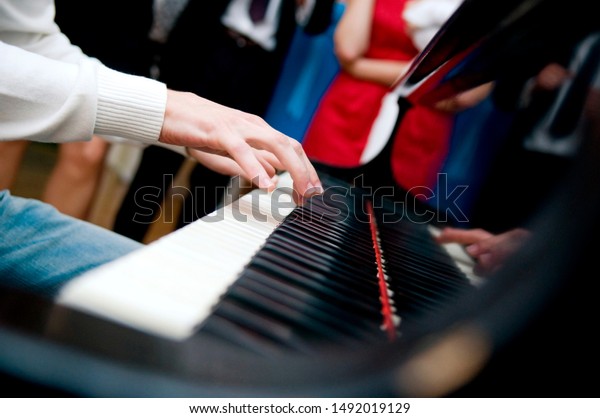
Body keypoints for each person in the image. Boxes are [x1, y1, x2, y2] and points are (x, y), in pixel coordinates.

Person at [0, 0, 322, 298]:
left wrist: (182, 128)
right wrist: (164, 111)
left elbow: (29, 42)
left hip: (252, 65)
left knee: (183, 291)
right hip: (207, 48)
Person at [112, 0, 336, 243]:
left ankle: (182, 256)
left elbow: (317, 23)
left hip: (256, 67)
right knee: (157, 163)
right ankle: (120, 244)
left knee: (215, 176)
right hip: (204, 44)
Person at [301, 0, 459, 195]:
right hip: (350, 113)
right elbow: (349, 49)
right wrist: (427, 77)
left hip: (413, 130)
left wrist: (359, 68)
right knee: (315, 202)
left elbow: (463, 90)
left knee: (387, 215)